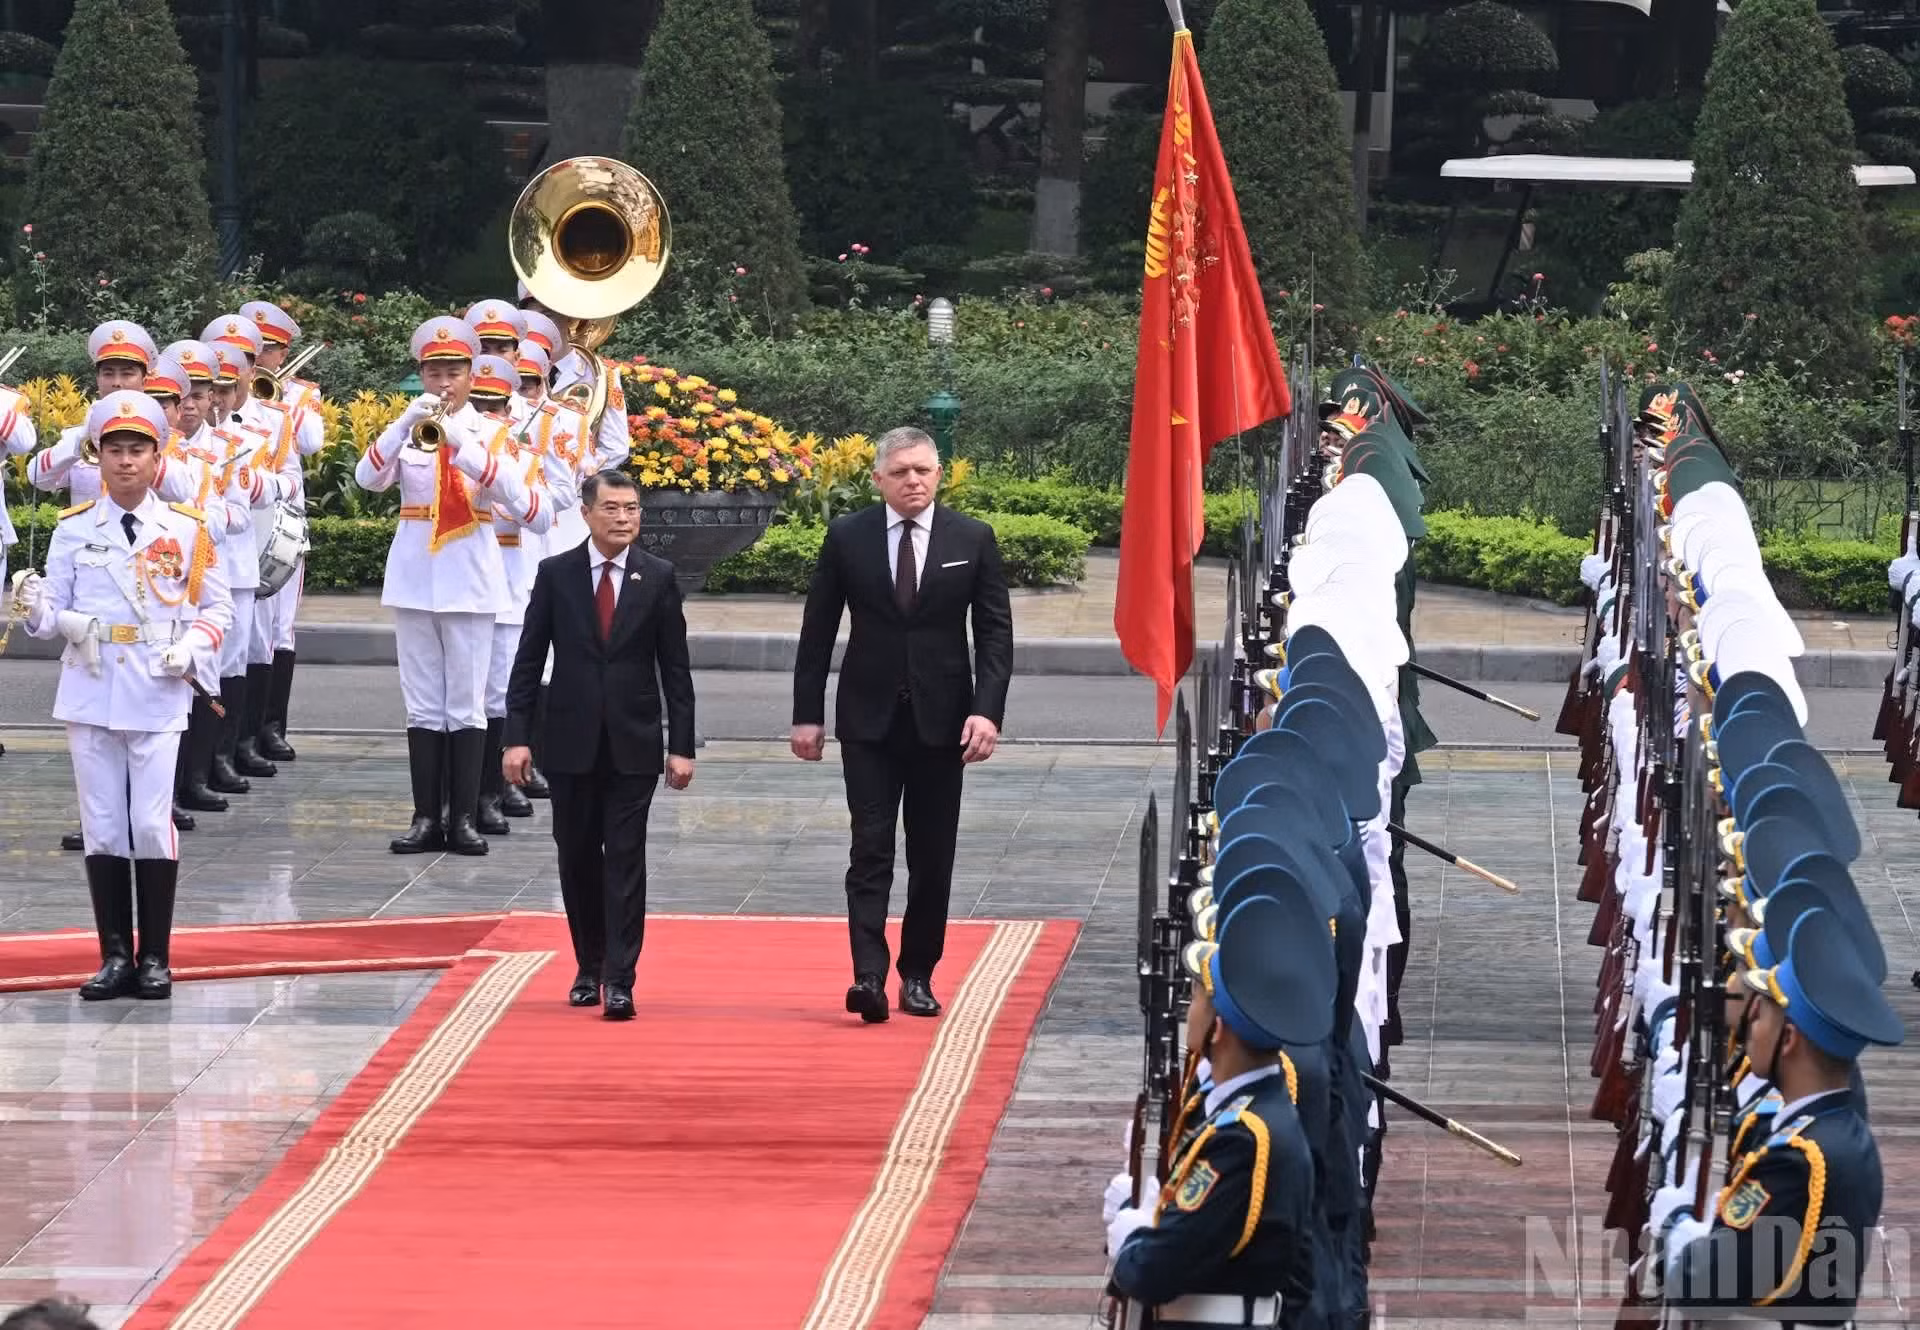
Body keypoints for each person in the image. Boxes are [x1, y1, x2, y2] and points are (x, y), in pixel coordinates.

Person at [790, 426, 1013, 1023]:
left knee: (932, 855)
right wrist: (806, 714)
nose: (913, 481)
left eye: (923, 470)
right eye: (900, 472)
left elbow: (994, 635)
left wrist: (987, 710)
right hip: (868, 721)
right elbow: (817, 631)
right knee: (870, 847)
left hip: (944, 724)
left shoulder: (972, 538)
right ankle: (868, 975)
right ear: (878, 480)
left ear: (939, 474)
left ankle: (918, 973)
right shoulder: (848, 536)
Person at [16, 391, 232, 1001]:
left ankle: (155, 956)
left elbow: (217, 608)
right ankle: (114, 955)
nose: (126, 461)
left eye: (138, 449)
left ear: (157, 457)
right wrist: (35, 607)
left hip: (157, 687)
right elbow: (49, 616)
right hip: (90, 686)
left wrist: (191, 648)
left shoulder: (186, 528)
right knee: (104, 823)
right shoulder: (73, 528)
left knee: (149, 822)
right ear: (99, 456)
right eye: (115, 450)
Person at [504, 470, 695, 1020]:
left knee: (626, 859)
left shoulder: (657, 576)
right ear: (586, 513)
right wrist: (517, 739)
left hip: (634, 743)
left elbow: (675, 669)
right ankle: (588, 966)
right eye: (611, 508)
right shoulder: (557, 574)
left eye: (632, 508)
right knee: (577, 856)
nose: (623, 518)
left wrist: (681, 746)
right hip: (569, 741)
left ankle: (620, 978)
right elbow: (528, 661)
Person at [1653, 907, 1900, 1321]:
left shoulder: (1800, 1159)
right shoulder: (1831, 1129)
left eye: (1762, 1012)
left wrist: (1676, 1225)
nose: (1751, 1021)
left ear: (1788, 1040)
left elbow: (1703, 1285)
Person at [1102, 886, 1326, 1327]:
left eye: (1197, 997)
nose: (1189, 1008)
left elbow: (1155, 1271)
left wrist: (1132, 1234)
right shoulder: (1252, 1110)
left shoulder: (1243, 1138)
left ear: (1218, 1028)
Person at [356, 318, 536, 856]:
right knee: (422, 706)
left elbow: (517, 495)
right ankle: (424, 818)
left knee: (466, 704)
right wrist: (401, 424)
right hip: (415, 580)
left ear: (470, 376)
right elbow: (368, 479)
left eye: (453, 373)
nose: (443, 383)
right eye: (434, 373)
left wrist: (461, 442)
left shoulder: (493, 433)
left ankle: (463, 818)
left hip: (470, 580)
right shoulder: (410, 430)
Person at [470, 352, 566, 835]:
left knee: (502, 692)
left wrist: (512, 496)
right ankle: (459, 797)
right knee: (461, 698)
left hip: (511, 572)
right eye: (479, 403)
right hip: (462, 576)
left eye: (495, 405)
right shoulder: (453, 438)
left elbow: (552, 502)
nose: (488, 412)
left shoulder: (528, 442)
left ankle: (497, 788)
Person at [238, 299, 326, 764]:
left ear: (282, 353)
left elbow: (312, 443)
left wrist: (282, 402)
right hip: (244, 521)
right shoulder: (231, 393)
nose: (259, 358)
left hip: (284, 525)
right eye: (252, 351)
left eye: (267, 350)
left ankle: (272, 726)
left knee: (280, 629)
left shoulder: (301, 394)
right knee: (248, 631)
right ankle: (244, 731)